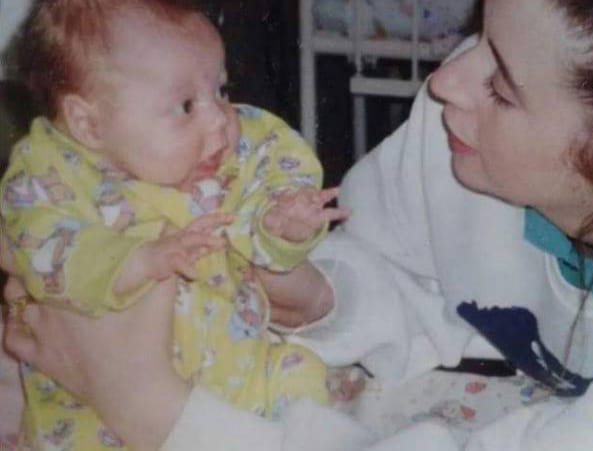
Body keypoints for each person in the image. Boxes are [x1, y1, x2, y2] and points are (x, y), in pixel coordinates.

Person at [2, 0, 593, 449]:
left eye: (501, 86)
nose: (443, 81)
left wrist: (149, 406)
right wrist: (318, 295)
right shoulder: (452, 137)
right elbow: (391, 258)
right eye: (478, 35)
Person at [0, 0, 351, 449]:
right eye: (186, 105)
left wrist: (281, 223)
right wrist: (139, 259)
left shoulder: (227, 149)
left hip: (236, 365)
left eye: (220, 90)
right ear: (89, 125)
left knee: (303, 378)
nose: (219, 119)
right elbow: (40, 245)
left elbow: (272, 166)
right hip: (99, 395)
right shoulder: (51, 174)